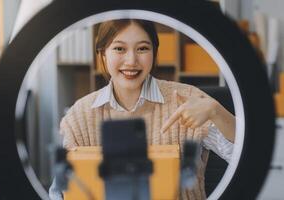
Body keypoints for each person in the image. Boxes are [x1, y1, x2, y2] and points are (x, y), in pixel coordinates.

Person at [49, 19, 235, 200]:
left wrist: (216, 112)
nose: (131, 61)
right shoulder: (79, 115)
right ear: (103, 54)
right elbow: (58, 191)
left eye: (143, 48)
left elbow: (247, 156)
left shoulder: (189, 99)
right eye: (119, 48)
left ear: (154, 53)